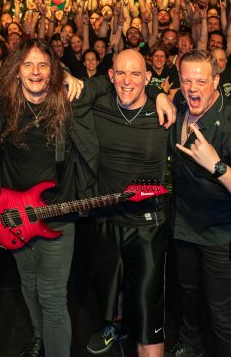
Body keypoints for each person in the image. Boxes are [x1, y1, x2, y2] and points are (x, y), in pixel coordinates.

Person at [0, 38, 172, 357]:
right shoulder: (1, 95)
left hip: (58, 215)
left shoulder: (67, 99)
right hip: (11, 213)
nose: (35, 71)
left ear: (54, 71)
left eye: (43, 65)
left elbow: (111, 82)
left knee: (53, 297)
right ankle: (38, 336)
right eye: (28, 64)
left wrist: (159, 92)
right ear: (16, 70)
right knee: (28, 287)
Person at [169, 49, 231, 357]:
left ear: (216, 82)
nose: (193, 88)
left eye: (201, 81)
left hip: (226, 233)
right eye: (186, 81)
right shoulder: (180, 105)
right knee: (189, 295)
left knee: (221, 312)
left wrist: (217, 166)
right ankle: (191, 345)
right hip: (187, 224)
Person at [86, 49, 170, 357]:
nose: (127, 81)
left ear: (148, 78)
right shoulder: (96, 106)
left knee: (148, 308)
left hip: (146, 225)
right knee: (110, 289)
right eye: (120, 73)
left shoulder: (164, 114)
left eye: (136, 74)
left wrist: (160, 94)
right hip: (104, 217)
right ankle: (116, 324)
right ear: (110, 76)